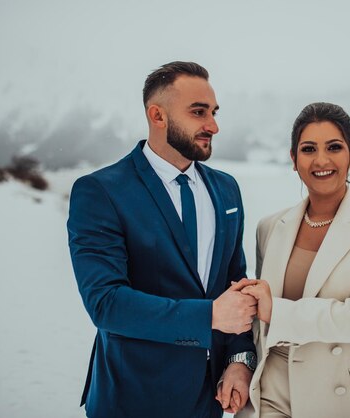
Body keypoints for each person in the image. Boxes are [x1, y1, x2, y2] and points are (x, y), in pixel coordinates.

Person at [67, 61, 257, 418]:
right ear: (158, 115)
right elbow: (106, 303)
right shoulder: (101, 192)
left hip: (210, 399)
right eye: (199, 112)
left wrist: (240, 361)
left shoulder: (227, 190)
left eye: (213, 112)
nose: (213, 125)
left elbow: (237, 289)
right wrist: (208, 316)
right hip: (132, 399)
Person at [234, 102, 350, 418]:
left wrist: (277, 309)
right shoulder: (270, 227)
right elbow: (259, 325)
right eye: (309, 149)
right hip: (274, 393)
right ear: (293, 159)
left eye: (334, 147)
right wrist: (239, 366)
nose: (321, 160)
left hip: (348, 398)